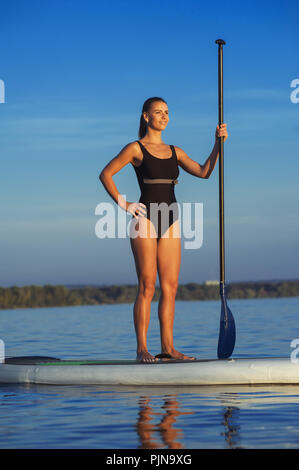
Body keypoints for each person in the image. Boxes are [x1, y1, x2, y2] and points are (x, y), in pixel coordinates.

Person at [99, 97, 228, 363]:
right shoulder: (135, 148)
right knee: (147, 286)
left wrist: (217, 144)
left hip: (171, 219)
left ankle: (168, 349)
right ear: (146, 117)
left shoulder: (175, 151)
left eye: (167, 112)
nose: (164, 116)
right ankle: (142, 350)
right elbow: (106, 174)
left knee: (170, 287)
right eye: (158, 112)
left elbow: (204, 172)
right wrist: (125, 204)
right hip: (145, 218)